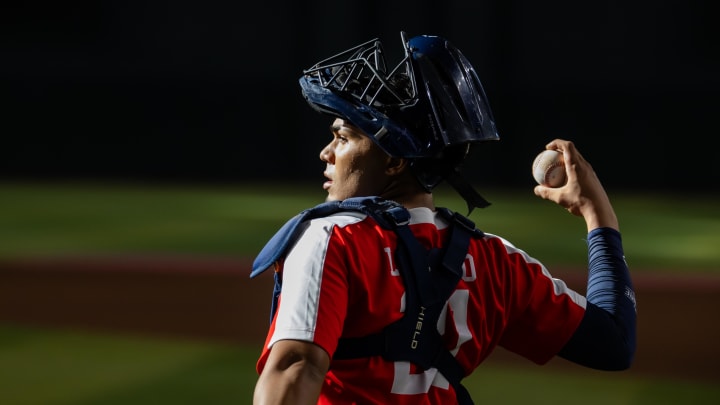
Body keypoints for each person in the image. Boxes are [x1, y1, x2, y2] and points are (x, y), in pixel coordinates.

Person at [251, 32, 637, 405]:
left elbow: (296, 366)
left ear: (395, 160)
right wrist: (598, 214)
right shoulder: (496, 262)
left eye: (343, 137)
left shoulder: (333, 240)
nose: (326, 152)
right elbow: (613, 344)